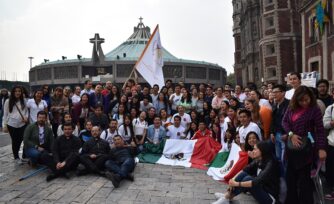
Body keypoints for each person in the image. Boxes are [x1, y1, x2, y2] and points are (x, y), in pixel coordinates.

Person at [282, 85, 327, 204]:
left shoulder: (314, 109)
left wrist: (321, 148)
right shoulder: (291, 108)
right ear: (296, 99)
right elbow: (284, 122)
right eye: (301, 100)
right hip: (291, 150)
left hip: (307, 149)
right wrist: (291, 134)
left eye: (306, 99)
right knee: (290, 180)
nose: (304, 103)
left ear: (311, 98)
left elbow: (320, 130)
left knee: (304, 183)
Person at [213, 141, 280, 204]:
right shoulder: (260, 159)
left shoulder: (270, 163)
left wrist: (236, 184)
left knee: (248, 178)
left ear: (263, 150)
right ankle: (227, 196)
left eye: (255, 149)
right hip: (262, 189)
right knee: (244, 174)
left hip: (270, 198)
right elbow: (244, 170)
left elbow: (256, 182)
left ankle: (227, 197)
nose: (253, 151)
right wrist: (233, 179)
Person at [2, 86, 29, 163]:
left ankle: (24, 155)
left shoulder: (24, 100)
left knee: (23, 140)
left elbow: (26, 111)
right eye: (16, 91)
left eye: (19, 91)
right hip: (12, 125)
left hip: (22, 124)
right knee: (15, 141)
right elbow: (5, 114)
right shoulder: (8, 101)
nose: (17, 93)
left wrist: (26, 117)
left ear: (21, 92)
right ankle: (16, 157)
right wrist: (5, 125)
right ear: (13, 92)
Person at [270, 84, 289, 163]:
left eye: (276, 92)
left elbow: (292, 121)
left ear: (283, 93)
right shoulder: (274, 105)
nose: (274, 94)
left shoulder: (289, 104)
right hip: (276, 134)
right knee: (278, 158)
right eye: (273, 92)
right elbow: (273, 120)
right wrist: (272, 132)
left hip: (285, 135)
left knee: (284, 158)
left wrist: (288, 134)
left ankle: (286, 175)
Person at [323, 102, 334, 200]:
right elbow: (325, 124)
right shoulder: (331, 108)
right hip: (332, 144)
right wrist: (331, 123)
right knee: (331, 169)